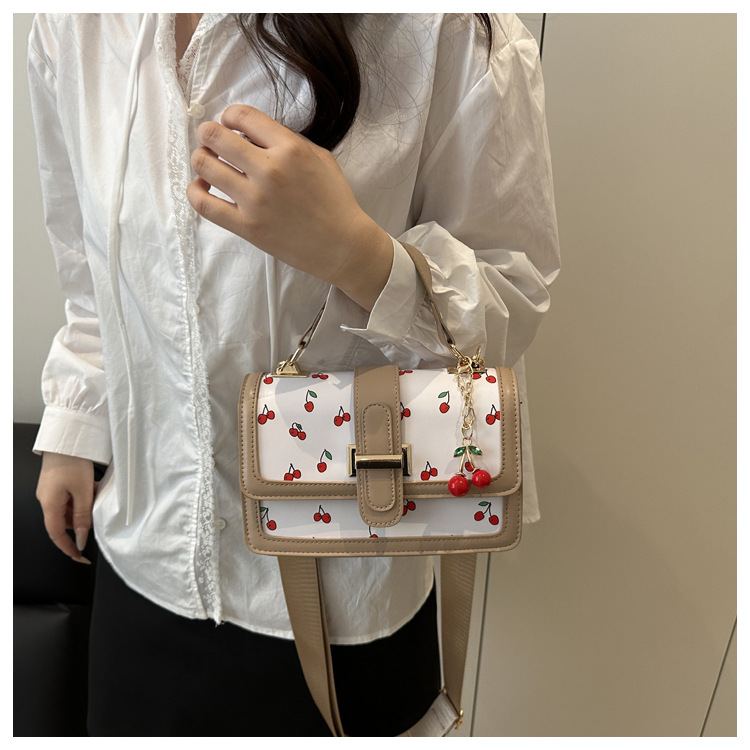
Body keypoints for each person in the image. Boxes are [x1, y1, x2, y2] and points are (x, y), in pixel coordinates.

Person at [29, 13, 559, 737]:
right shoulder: (74, 24)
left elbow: (511, 301)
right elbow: (87, 268)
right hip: (142, 555)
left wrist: (358, 254)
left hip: (348, 584)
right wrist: (76, 428)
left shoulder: (445, 30)